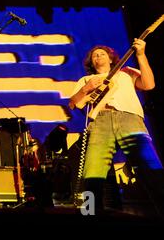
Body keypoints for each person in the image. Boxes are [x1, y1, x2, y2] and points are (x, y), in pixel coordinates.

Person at [69, 40, 164, 216]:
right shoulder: (86, 79)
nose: (98, 56)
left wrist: (141, 55)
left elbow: (149, 84)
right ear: (91, 62)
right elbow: (73, 103)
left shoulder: (126, 73)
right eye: (95, 55)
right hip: (99, 123)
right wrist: (86, 89)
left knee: (151, 168)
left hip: (129, 118)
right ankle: (89, 213)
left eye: (102, 53)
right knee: (92, 173)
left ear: (112, 59)